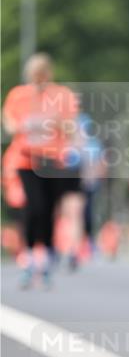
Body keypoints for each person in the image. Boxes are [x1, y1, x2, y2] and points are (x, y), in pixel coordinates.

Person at [2, 53, 79, 287]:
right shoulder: (18, 96)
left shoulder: (61, 95)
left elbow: (71, 127)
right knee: (33, 207)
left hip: (52, 160)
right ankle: (28, 258)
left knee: (48, 209)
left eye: (42, 76)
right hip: (25, 160)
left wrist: (54, 121)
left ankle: (45, 257)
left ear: (49, 75)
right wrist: (20, 124)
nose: (38, 81)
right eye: (34, 76)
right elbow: (9, 123)